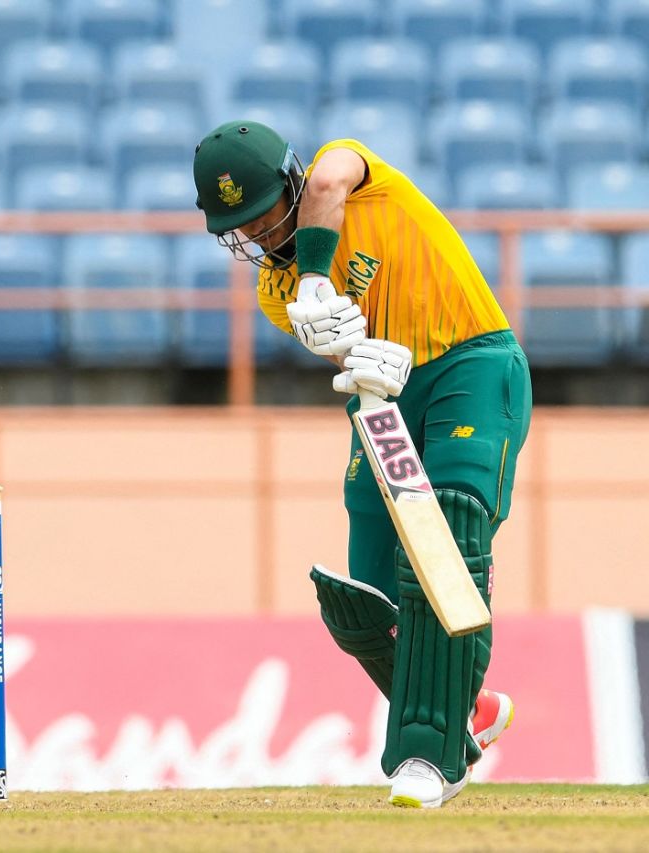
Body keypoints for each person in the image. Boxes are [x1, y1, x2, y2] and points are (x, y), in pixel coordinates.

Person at [193, 123, 531, 808]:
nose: (258, 238)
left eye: (263, 217)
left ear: (292, 184)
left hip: (473, 358)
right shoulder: (274, 292)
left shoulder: (347, 172)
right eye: (241, 231)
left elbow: (328, 182)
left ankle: (426, 756)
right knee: (366, 605)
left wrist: (317, 275)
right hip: (387, 400)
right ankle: (472, 706)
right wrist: (359, 354)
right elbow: (346, 355)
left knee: (451, 528)